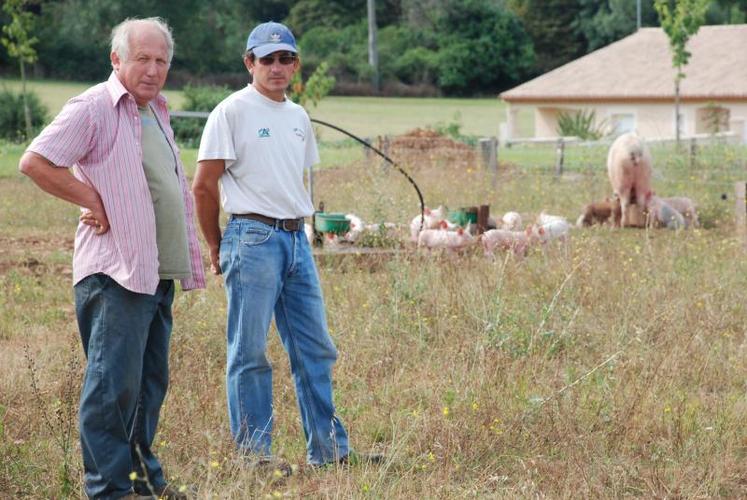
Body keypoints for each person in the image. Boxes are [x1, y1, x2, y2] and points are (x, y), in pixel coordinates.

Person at [19, 17, 205, 499]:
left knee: (146, 388)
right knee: (112, 390)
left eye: (161, 60)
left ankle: (143, 484)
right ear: (116, 59)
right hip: (116, 272)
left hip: (155, 271)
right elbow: (36, 161)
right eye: (142, 58)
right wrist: (91, 198)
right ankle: (107, 491)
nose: (153, 69)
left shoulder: (155, 110)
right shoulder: (94, 107)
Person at [193, 21, 371, 471]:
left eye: (285, 58)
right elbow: (203, 186)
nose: (276, 67)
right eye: (266, 59)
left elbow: (293, 179)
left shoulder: (298, 117)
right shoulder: (230, 112)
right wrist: (217, 245)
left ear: (296, 64)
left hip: (296, 238)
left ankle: (329, 452)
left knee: (314, 348)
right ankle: (255, 458)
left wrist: (303, 233)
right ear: (249, 62)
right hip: (251, 237)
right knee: (249, 351)